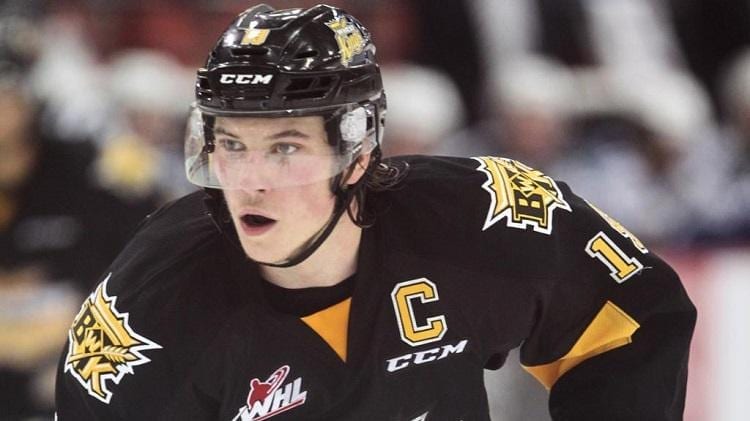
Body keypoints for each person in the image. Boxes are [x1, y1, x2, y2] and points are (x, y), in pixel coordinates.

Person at [55, 4, 696, 420]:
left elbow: (634, 312)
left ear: (357, 154)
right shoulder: (147, 308)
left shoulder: (480, 216)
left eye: (285, 147)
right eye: (232, 145)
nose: (248, 180)